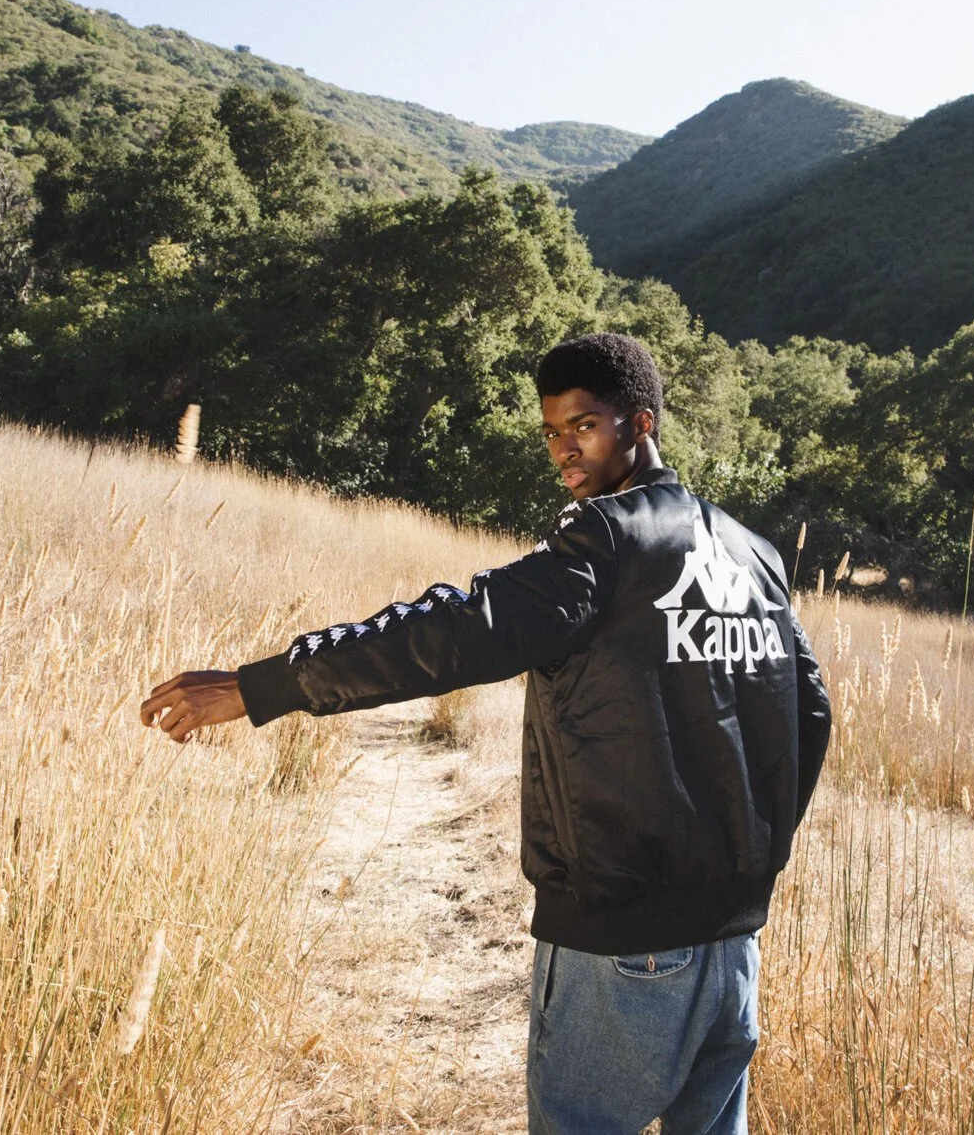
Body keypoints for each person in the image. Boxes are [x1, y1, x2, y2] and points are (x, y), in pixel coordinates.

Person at [140, 332, 831, 1134]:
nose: (563, 450)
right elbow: (809, 714)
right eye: (551, 431)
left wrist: (261, 686)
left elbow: (454, 632)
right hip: (733, 948)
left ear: (641, 423)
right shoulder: (755, 554)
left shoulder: (607, 541)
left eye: (584, 426)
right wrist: (750, 855)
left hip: (624, 945)